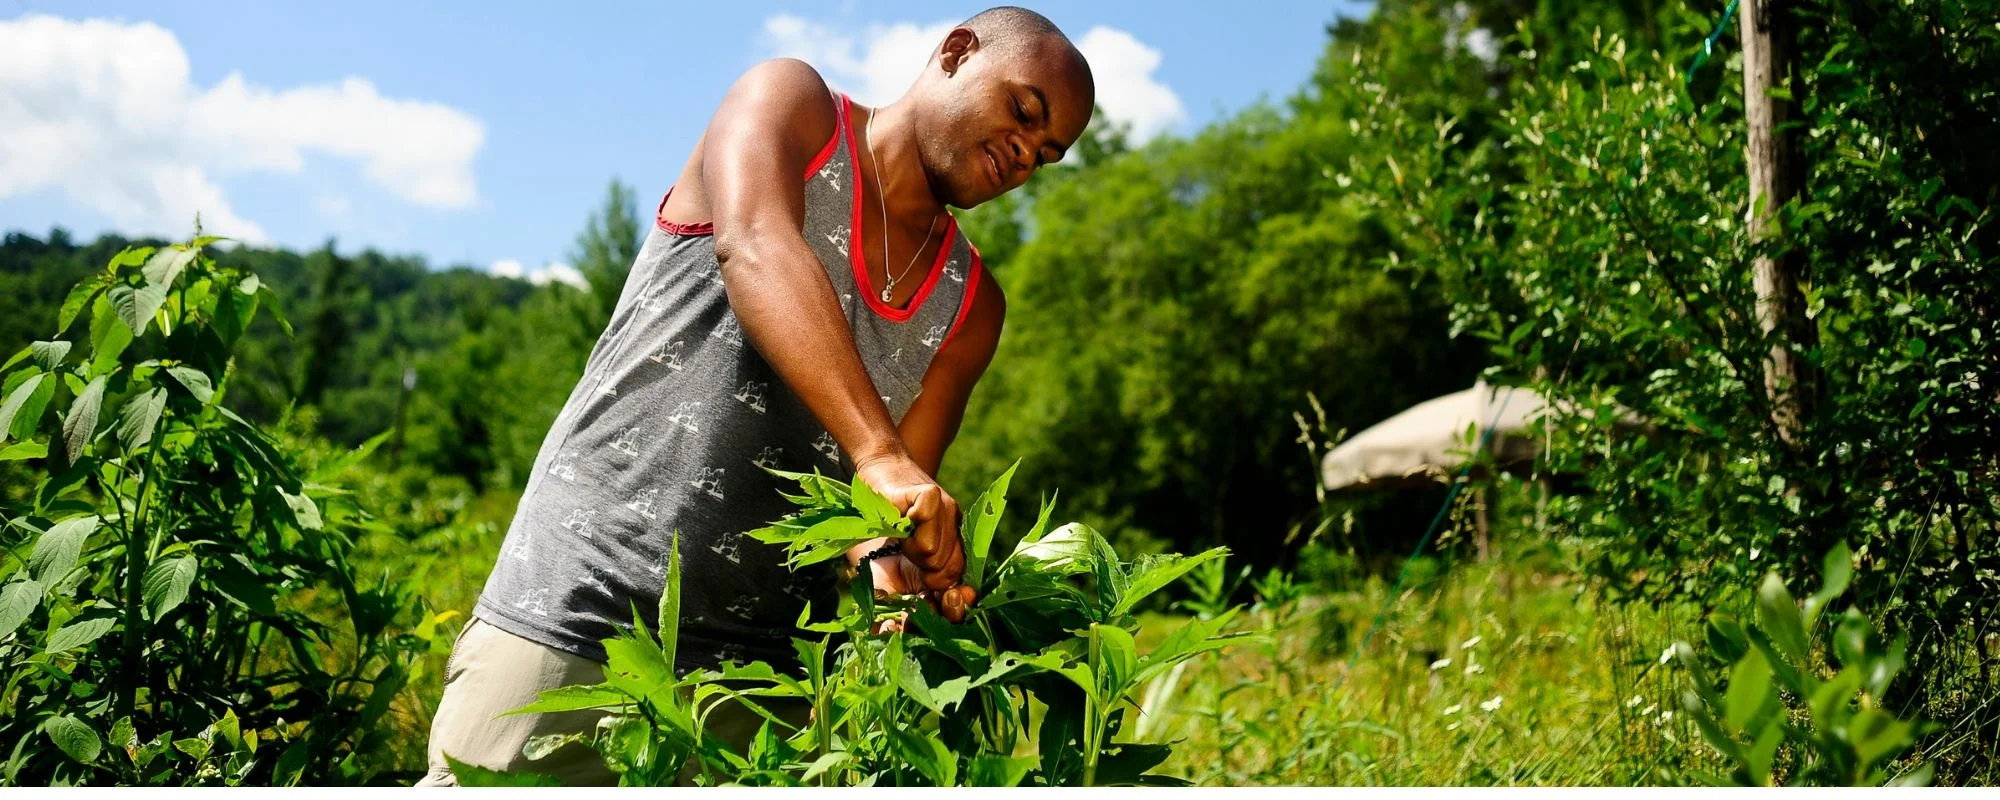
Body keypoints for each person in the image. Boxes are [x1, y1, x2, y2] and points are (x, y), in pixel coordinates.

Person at [416, 6, 1095, 787]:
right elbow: (756, 246)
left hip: (761, 675)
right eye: (1023, 111)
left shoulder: (972, 306)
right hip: (585, 599)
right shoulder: (794, 106)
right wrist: (881, 457)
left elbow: (878, 498)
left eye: (1047, 153)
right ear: (954, 52)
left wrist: (890, 559)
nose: (1024, 154)